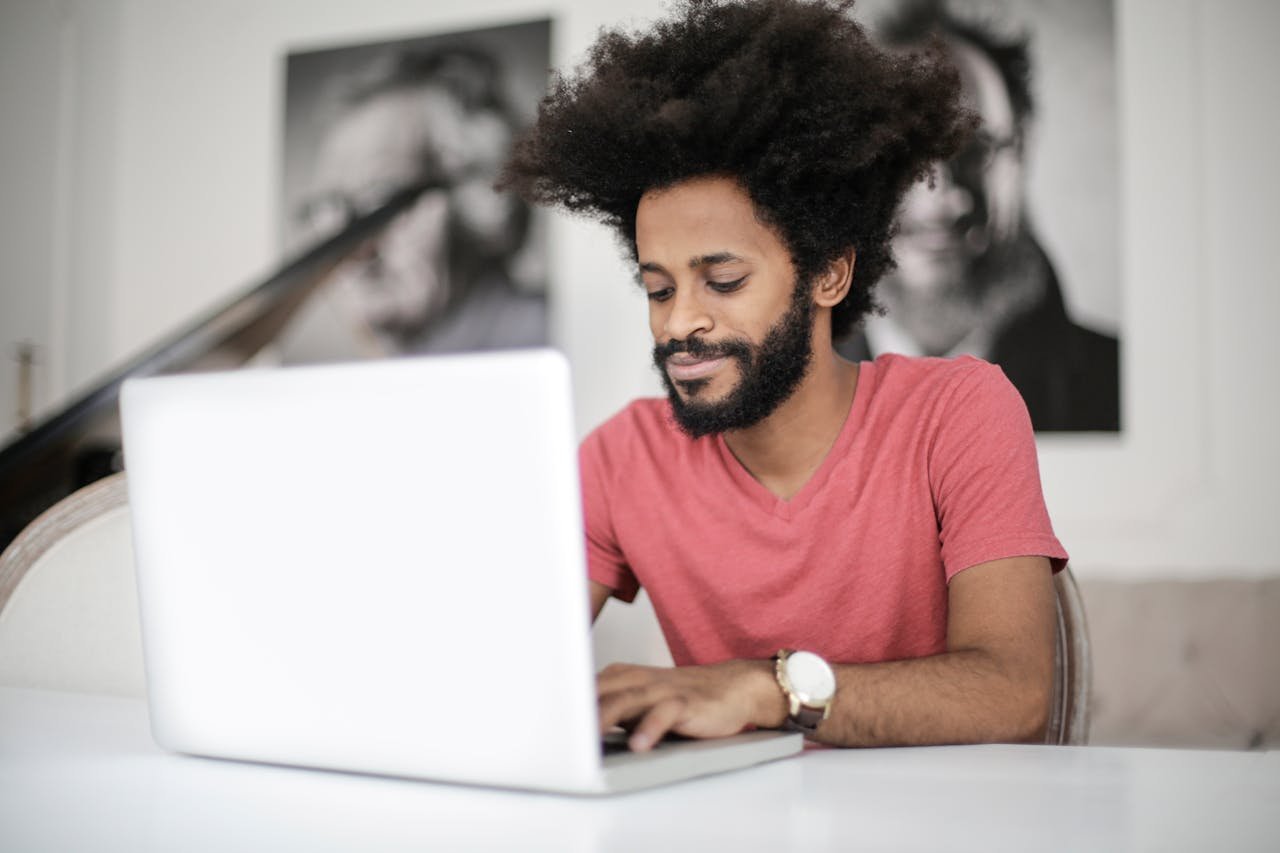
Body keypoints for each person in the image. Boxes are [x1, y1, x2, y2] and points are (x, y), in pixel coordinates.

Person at [501, 0, 1068, 750]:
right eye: (659, 287)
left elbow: (1014, 692)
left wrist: (769, 688)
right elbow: (506, 671)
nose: (678, 323)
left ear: (829, 274)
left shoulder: (960, 412)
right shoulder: (621, 459)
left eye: (724, 280)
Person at [836, 1, 1120, 431]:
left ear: (1022, 151)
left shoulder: (1117, 387)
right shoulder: (772, 403)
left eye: (975, 149)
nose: (939, 197)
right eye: (900, 152)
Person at [287, 46, 547, 359]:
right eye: (326, 208)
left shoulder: (545, 343)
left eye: (379, 202)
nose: (348, 251)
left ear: (482, 197)